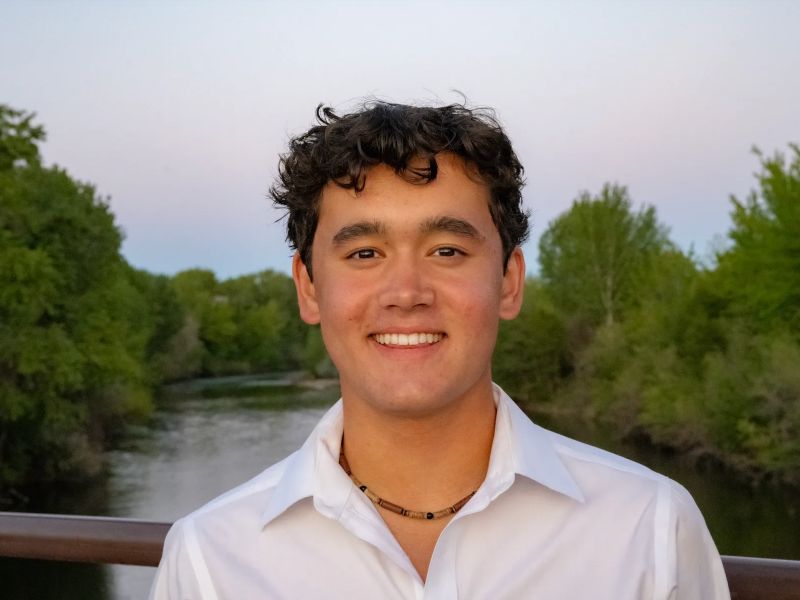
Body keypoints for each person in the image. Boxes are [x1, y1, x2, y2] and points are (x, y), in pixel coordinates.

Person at [149, 101, 730, 599]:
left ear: (509, 282)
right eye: (364, 254)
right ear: (309, 289)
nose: (406, 293)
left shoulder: (650, 529)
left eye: (447, 251)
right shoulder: (209, 561)